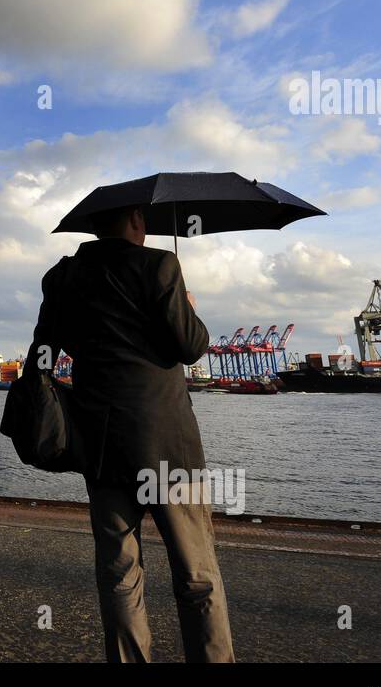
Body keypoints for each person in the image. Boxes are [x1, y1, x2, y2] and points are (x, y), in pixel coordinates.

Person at [23, 204, 234, 662]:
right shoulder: (160, 264)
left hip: (102, 448)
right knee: (197, 576)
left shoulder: (62, 278)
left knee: (120, 575)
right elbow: (192, 346)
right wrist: (189, 309)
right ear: (137, 220)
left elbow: (41, 355)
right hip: (168, 447)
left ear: (94, 226)